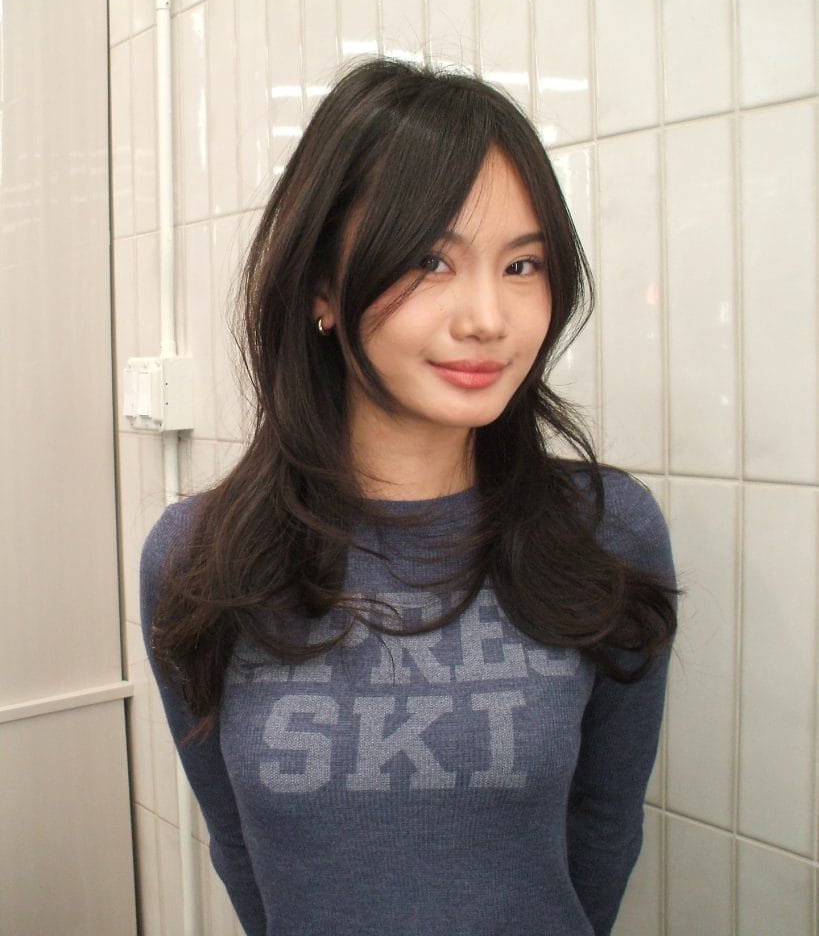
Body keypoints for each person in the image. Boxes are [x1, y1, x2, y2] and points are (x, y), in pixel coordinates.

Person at [141, 58, 677, 936]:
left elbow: (605, 823)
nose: (487, 319)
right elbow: (237, 840)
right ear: (321, 286)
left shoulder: (604, 533)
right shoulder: (198, 557)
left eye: (522, 265)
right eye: (431, 260)